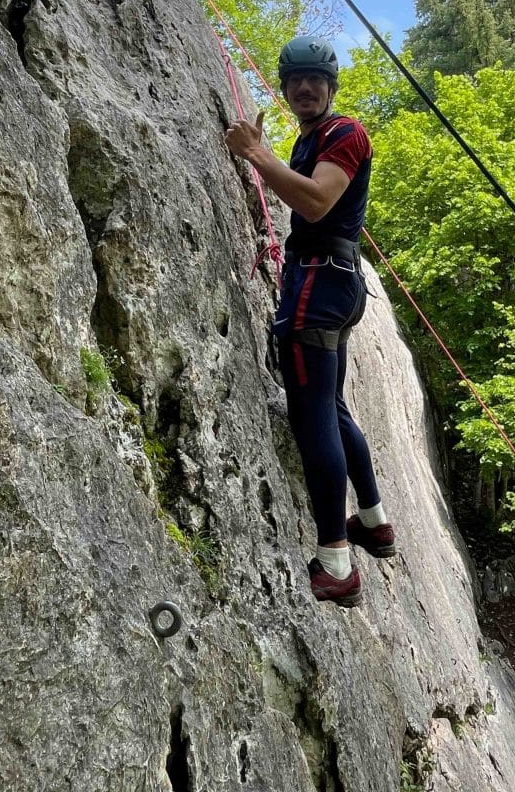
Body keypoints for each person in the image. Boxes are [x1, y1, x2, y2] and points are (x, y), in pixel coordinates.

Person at [225, 36, 395, 607]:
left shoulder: (344, 133)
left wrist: (258, 155)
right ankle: (372, 523)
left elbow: (318, 203)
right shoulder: (310, 140)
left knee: (311, 412)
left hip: (321, 284)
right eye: (295, 79)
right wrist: (275, 155)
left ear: (331, 86)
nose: (304, 88)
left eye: (314, 80)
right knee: (334, 405)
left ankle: (336, 562)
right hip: (329, 280)